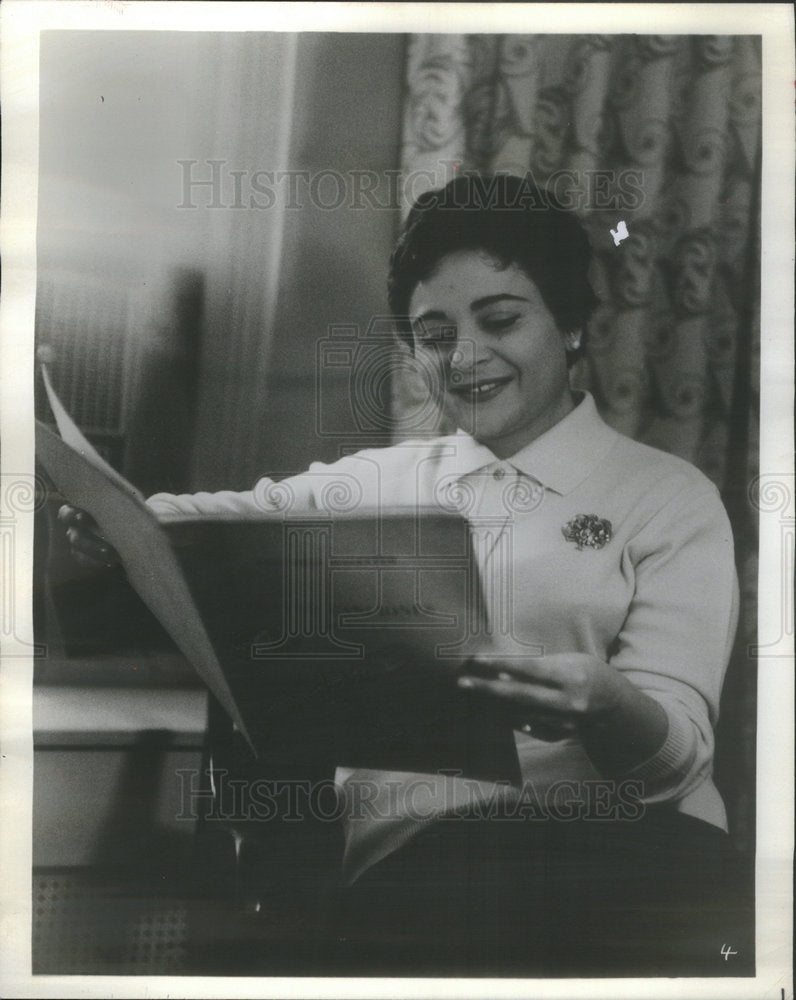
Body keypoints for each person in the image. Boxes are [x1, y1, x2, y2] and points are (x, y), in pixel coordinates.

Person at [59, 174, 744, 976]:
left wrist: (604, 700)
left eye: (501, 320)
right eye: (433, 332)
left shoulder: (667, 496)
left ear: (569, 328)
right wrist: (119, 527)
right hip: (429, 862)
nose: (466, 356)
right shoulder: (377, 483)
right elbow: (207, 521)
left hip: (635, 857)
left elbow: (679, 766)